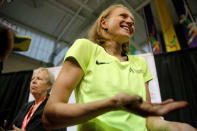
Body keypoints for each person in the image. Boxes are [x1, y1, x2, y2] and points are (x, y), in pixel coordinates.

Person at [42, 5, 197, 131]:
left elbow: (149, 118)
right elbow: (50, 116)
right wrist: (113, 103)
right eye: (123, 16)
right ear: (104, 23)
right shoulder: (85, 48)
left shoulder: (140, 64)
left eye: (133, 20)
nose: (130, 21)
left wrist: (170, 127)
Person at [0, 68, 66, 131]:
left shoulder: (53, 107)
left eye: (39, 79)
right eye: (32, 79)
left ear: (49, 85)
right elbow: (14, 127)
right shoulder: (26, 106)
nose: (34, 81)